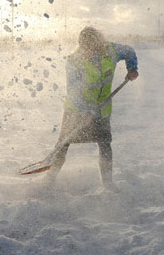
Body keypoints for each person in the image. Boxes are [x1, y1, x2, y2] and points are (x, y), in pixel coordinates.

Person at [46, 26, 138, 191]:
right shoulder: (74, 61)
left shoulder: (111, 50)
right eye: (84, 47)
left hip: (102, 110)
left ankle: (108, 183)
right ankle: (49, 179)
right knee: (63, 144)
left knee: (104, 144)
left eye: (91, 47)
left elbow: (129, 51)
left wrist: (132, 68)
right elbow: (72, 91)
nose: (87, 51)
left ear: (98, 44)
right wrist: (84, 111)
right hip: (75, 109)